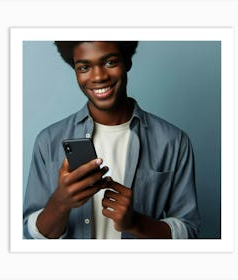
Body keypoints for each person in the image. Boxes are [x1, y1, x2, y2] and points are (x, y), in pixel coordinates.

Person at [23, 41, 200, 239]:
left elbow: (188, 232)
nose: (98, 77)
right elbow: (31, 237)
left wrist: (135, 223)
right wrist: (60, 203)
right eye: (84, 67)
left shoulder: (173, 141)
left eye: (110, 62)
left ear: (127, 62)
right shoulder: (48, 141)